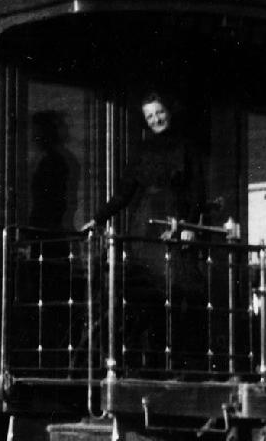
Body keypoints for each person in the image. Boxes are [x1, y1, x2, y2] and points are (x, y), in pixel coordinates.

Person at [81, 92, 209, 369]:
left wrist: (187, 226)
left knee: (174, 293)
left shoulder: (187, 146)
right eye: (150, 116)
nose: (155, 120)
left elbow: (197, 191)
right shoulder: (142, 150)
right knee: (147, 295)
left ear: (169, 111)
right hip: (144, 225)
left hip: (172, 224)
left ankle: (176, 363)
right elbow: (124, 193)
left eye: (159, 113)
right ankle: (147, 363)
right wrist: (98, 218)